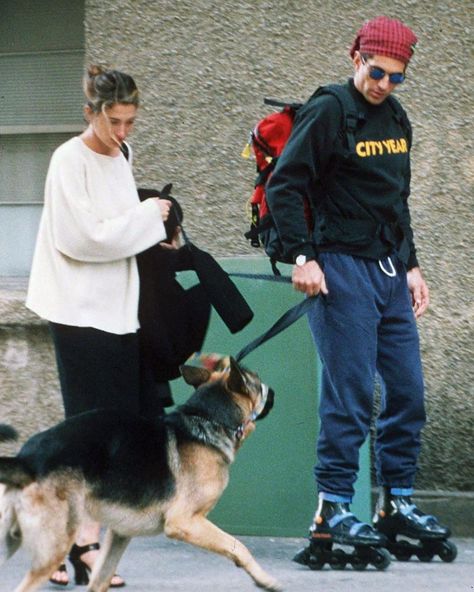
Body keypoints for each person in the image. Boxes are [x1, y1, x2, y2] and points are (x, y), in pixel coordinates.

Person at [266, 16, 452, 562]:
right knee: (348, 398)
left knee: (407, 393)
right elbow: (285, 183)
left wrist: (413, 266)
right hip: (340, 269)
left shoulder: (396, 117)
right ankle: (332, 508)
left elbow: (396, 201)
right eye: (377, 73)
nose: (384, 85)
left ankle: (394, 503)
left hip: (390, 271)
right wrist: (303, 256)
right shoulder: (328, 110)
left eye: (396, 77)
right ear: (356, 59)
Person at [26, 65, 173, 587]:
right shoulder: (69, 159)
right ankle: (77, 545)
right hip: (79, 312)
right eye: (114, 121)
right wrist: (149, 216)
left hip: (118, 312)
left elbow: (118, 231)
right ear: (90, 113)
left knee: (115, 434)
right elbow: (84, 238)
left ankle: (83, 547)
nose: (123, 133)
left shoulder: (122, 155)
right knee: (89, 437)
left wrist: (157, 228)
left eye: (131, 122)